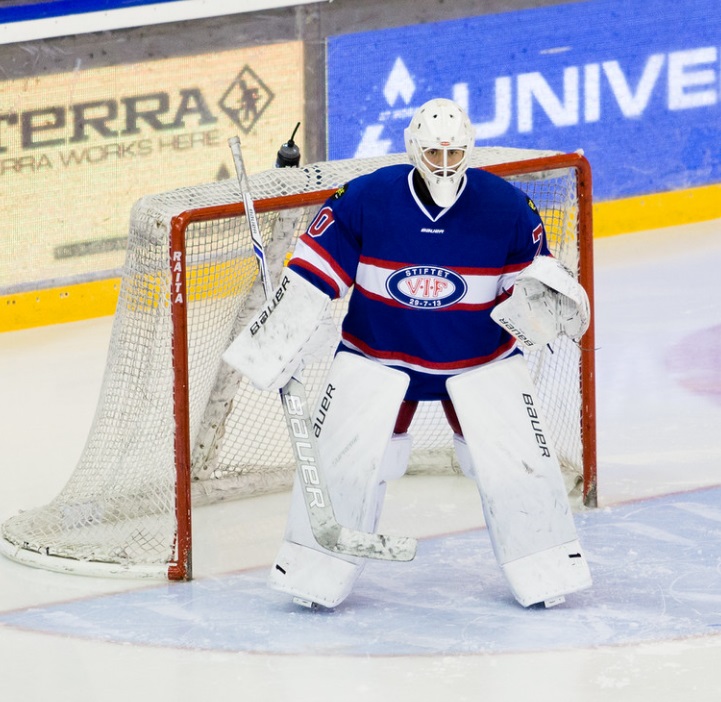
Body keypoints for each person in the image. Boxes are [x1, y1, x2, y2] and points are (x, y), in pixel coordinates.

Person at [224, 98, 592, 609]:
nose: (445, 164)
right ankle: (313, 572)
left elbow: (524, 292)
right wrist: (279, 337)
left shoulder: (508, 207)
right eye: (435, 153)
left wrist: (545, 298)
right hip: (377, 355)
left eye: (455, 153)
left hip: (479, 360)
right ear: (413, 148)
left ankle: (546, 569)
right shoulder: (365, 197)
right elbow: (312, 270)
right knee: (347, 465)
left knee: (516, 466)